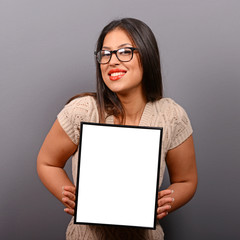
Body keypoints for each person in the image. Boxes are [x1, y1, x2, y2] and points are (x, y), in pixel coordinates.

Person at [37, 17, 197, 240]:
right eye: (105, 54)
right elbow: (47, 162)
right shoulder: (82, 110)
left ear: (147, 55)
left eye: (124, 52)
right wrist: (71, 196)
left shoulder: (171, 116)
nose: (112, 61)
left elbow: (186, 181)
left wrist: (166, 202)